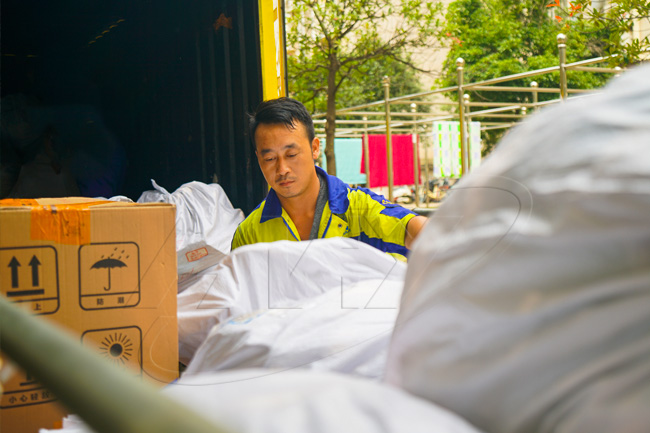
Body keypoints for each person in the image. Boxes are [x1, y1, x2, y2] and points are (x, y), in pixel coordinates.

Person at [231, 97, 427, 261]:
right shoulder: (249, 234)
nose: (282, 169)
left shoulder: (356, 208)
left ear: (315, 148)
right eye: (270, 159)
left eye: (291, 155)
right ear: (258, 158)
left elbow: (417, 229)